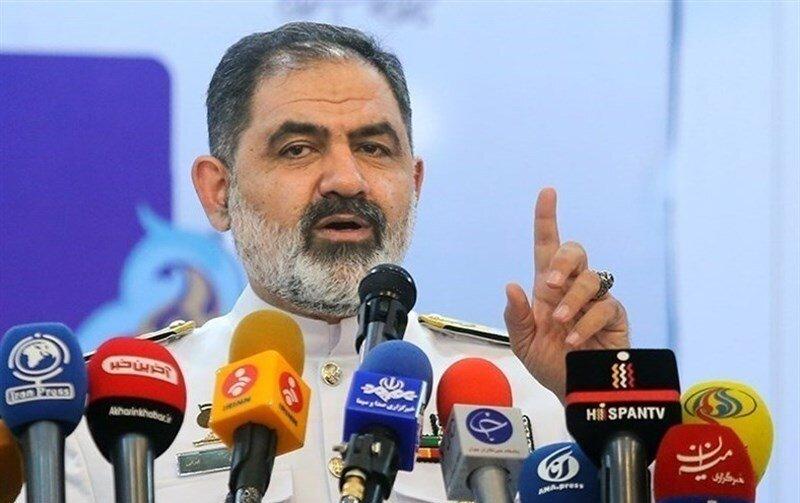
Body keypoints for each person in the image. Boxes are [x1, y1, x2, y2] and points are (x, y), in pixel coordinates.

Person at [53, 22, 629, 502]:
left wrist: (599, 399)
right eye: (298, 149)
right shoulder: (108, 412)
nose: (347, 180)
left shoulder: (527, 391)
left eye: (374, 148)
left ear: (414, 183)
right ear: (218, 191)